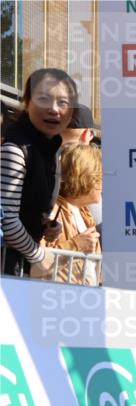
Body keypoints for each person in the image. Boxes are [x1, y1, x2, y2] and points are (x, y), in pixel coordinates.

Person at [2, 68, 79, 276]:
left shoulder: (51, 150)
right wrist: (39, 256)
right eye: (44, 99)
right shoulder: (14, 150)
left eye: (63, 102)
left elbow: (27, 209)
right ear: (27, 103)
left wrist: (47, 224)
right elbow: (6, 222)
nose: (54, 109)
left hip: (20, 270)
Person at [38, 143, 102, 284]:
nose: (102, 184)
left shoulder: (86, 215)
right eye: (99, 178)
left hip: (82, 299)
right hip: (53, 299)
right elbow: (39, 264)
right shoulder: (52, 212)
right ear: (85, 178)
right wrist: (76, 245)